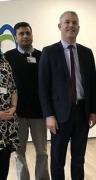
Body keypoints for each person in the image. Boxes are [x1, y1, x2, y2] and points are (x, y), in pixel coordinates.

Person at [39, 11, 96, 180]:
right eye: (67, 22)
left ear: (78, 28)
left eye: (74, 23)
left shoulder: (87, 53)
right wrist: (49, 115)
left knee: (79, 159)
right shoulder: (49, 52)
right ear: (60, 26)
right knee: (58, 159)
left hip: (82, 112)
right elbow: (43, 87)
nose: (71, 25)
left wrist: (93, 110)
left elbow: (92, 85)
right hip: (59, 115)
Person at [4, 22, 49, 180]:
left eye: (27, 33)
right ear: (15, 37)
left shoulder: (42, 55)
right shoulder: (7, 57)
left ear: (32, 35)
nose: (25, 36)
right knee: (19, 151)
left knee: (42, 151)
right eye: (21, 33)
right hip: (18, 114)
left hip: (39, 113)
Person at [0, 49, 19, 180]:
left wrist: (13, 107)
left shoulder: (4, 63)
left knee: (3, 164)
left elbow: (13, 88)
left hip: (7, 125)